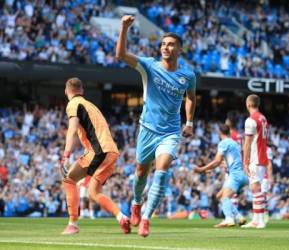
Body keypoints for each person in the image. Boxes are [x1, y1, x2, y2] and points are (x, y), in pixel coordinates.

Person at [116, 15, 196, 237]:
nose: (166, 47)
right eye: (163, 44)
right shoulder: (149, 66)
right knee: (141, 172)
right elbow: (120, 55)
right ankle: (136, 202)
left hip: (170, 133)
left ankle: (146, 219)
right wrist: (123, 27)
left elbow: (191, 97)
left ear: (179, 49)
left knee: (161, 172)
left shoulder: (188, 75)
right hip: (147, 130)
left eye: (170, 44)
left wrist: (189, 122)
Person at [60, 77, 130, 235]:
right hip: (112, 152)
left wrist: (66, 155)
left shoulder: (73, 104)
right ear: (82, 91)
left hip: (98, 151)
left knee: (69, 180)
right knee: (94, 192)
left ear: (66, 91)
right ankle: (121, 217)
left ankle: (72, 224)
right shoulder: (91, 105)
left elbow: (72, 129)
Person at [194, 124, 248, 227]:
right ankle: (239, 217)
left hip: (235, 175)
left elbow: (217, 161)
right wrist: (210, 169)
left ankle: (229, 219)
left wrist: (202, 169)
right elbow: (229, 160)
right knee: (219, 196)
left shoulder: (223, 143)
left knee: (224, 198)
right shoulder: (235, 143)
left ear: (220, 133)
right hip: (242, 175)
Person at [242, 94, 269, 229]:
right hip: (262, 157)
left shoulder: (250, 120)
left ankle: (260, 220)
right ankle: (256, 220)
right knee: (255, 188)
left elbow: (247, 143)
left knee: (255, 188)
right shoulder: (263, 118)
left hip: (255, 157)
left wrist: (245, 161)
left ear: (248, 104)